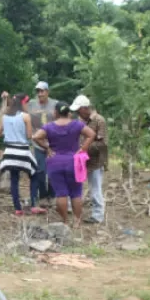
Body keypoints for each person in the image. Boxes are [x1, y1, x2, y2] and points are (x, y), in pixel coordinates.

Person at [32, 101, 96, 226]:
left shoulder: (49, 127)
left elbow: (36, 137)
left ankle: (65, 221)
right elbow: (91, 134)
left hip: (55, 162)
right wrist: (83, 148)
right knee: (76, 193)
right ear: (68, 112)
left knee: (61, 193)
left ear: (55, 112)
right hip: (73, 162)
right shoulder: (77, 124)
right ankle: (77, 222)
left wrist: (47, 148)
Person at [0, 93, 44, 216]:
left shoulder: (5, 117)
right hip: (22, 151)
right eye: (27, 103)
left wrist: (9, 132)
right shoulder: (25, 116)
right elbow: (29, 136)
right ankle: (34, 205)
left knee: (14, 179)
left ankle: (17, 208)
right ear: (23, 103)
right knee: (35, 174)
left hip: (9, 152)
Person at [70, 94, 108, 224]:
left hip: (95, 161)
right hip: (80, 160)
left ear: (85, 108)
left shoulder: (99, 120)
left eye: (78, 109)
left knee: (95, 188)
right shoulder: (79, 121)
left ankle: (98, 215)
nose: (77, 112)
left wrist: (85, 148)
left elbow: (103, 144)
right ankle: (73, 209)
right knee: (75, 185)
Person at [25, 81, 61, 208]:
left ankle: (52, 195)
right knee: (40, 171)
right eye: (38, 91)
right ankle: (42, 195)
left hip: (53, 143)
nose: (40, 94)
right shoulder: (31, 104)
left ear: (47, 92)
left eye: (42, 91)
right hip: (37, 143)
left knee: (53, 171)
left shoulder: (55, 104)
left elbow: (61, 119)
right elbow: (18, 108)